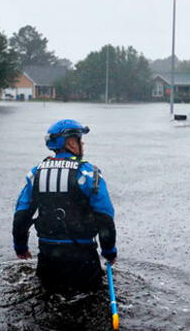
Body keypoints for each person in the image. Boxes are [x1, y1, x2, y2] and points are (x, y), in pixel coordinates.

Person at [13, 119, 117, 293]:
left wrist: (21, 247)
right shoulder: (88, 174)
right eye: (79, 139)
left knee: (48, 298)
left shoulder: (36, 173)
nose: (82, 143)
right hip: (83, 258)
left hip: (48, 256)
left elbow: (21, 214)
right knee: (89, 301)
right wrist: (109, 251)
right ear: (70, 143)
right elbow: (105, 217)